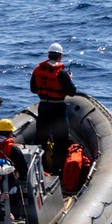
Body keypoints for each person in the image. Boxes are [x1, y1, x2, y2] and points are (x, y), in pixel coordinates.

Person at [30, 42, 76, 173]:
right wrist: (70, 79)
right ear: (60, 56)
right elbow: (72, 92)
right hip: (58, 109)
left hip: (43, 107)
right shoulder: (62, 74)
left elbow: (33, 89)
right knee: (60, 141)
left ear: (48, 55)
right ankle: (57, 170)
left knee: (41, 139)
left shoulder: (37, 70)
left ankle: (40, 168)